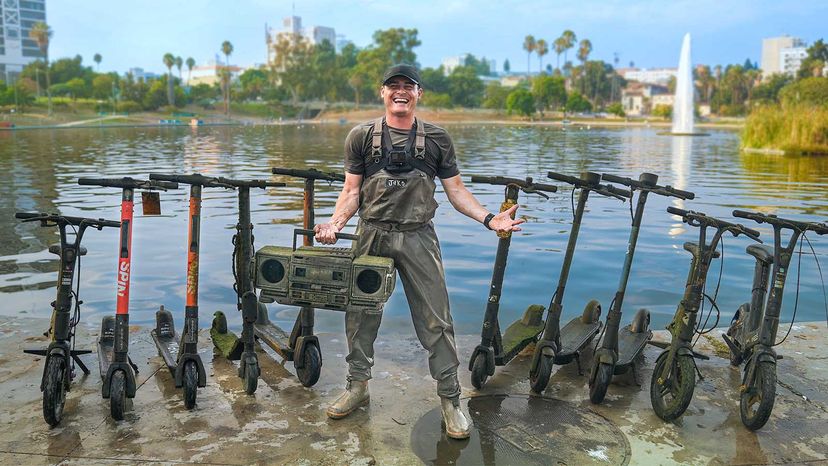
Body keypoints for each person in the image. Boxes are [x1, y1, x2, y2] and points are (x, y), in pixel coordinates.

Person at [314, 64, 523, 440]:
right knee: (360, 315)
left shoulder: (438, 139)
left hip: (418, 236)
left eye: (407, 86)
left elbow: (456, 192)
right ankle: (357, 386)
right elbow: (350, 192)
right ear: (382, 93)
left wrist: (490, 219)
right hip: (371, 234)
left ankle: (450, 400)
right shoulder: (360, 137)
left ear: (418, 93)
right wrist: (335, 225)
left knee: (436, 320)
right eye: (393, 86)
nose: (400, 92)